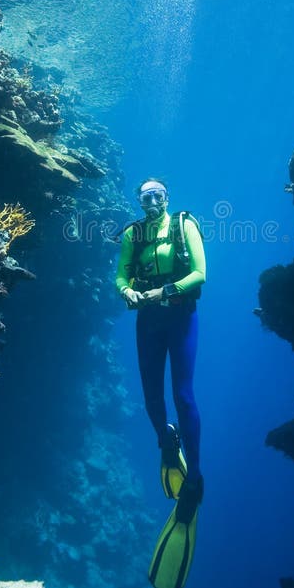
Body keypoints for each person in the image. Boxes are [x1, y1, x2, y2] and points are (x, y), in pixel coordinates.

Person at [115, 177, 206, 527]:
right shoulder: (132, 235)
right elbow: (120, 275)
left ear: (168, 197)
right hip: (148, 322)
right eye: (145, 196)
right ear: (138, 201)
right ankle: (167, 443)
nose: (152, 201)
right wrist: (126, 292)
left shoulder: (185, 225)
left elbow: (200, 274)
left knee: (183, 396)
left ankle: (195, 476)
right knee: (151, 396)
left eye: (158, 195)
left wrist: (164, 292)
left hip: (181, 317)